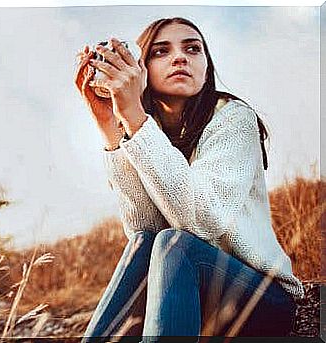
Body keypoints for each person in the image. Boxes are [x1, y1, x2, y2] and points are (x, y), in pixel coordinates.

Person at [73, 17, 305, 342]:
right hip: (184, 292)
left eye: (192, 49)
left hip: (262, 299)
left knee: (176, 245)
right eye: (160, 51)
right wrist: (110, 124)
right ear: (142, 72)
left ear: (206, 68)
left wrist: (135, 118)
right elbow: (146, 228)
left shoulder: (234, 118)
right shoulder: (146, 130)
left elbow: (200, 222)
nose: (180, 57)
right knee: (146, 242)